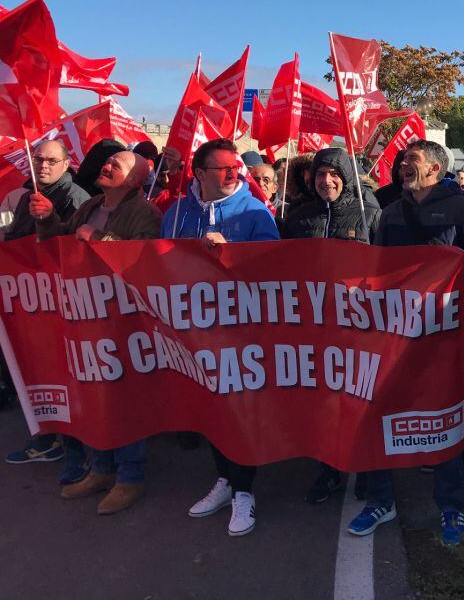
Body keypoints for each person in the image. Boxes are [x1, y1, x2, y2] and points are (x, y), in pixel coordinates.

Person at [347, 140, 464, 548]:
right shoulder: (389, 214)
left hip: (440, 336)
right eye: (402, 159)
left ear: (436, 169)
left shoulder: (462, 208)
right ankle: (380, 501)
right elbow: (373, 271)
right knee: (377, 414)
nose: (402, 164)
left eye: (412, 159)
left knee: (442, 418)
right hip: (391, 335)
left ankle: (451, 507)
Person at [32, 151, 162, 514]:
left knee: (123, 398)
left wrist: (100, 238)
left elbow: (144, 261)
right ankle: (102, 469)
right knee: (93, 395)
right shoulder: (90, 205)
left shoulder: (146, 214)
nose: (105, 167)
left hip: (123, 321)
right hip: (85, 315)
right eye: (107, 163)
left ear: (135, 180)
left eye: (116, 165)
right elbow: (60, 240)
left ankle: (130, 477)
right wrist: (48, 219)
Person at [162, 138, 279, 537]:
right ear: (199, 174)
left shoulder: (253, 211)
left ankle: (245, 490)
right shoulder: (178, 212)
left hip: (242, 332)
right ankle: (226, 481)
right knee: (210, 407)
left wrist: (232, 254)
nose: (234, 173)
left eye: (236, 168)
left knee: (240, 410)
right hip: (194, 331)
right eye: (224, 168)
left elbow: (275, 268)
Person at [281, 147, 381, 504]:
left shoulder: (368, 212)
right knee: (323, 402)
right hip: (313, 325)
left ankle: (368, 470)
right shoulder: (297, 216)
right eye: (321, 174)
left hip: (359, 324)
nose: (327, 181)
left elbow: (388, 264)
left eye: (334, 174)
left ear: (347, 176)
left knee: (360, 398)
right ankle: (329, 470)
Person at [2, 139, 91, 485]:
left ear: (67, 164)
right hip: (31, 301)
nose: (43, 165)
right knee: (37, 372)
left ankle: (76, 450)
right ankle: (47, 434)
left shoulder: (75, 198)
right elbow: (17, 238)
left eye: (51, 161)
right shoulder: (29, 196)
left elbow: (70, 250)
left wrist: (48, 221)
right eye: (38, 159)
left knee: (68, 378)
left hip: (62, 304)